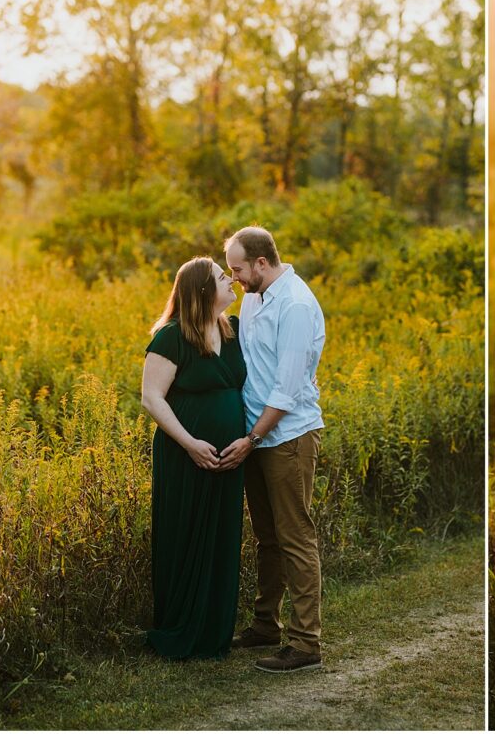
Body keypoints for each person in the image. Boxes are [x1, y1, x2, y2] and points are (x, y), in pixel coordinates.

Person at [217, 226, 327, 674]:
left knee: (296, 537)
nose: (235, 278)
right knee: (268, 539)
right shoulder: (256, 296)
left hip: (287, 438)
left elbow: (287, 389)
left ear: (261, 262)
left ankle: (305, 644)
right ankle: (266, 625)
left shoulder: (297, 305)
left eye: (238, 270)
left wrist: (252, 438)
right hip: (257, 438)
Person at [140, 256, 246, 659]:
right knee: (184, 533)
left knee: (221, 535)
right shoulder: (171, 337)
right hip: (185, 454)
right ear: (204, 290)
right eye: (223, 277)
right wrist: (190, 443)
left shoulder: (232, 330)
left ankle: (214, 633)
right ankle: (180, 628)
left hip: (230, 457)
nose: (231, 280)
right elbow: (152, 398)